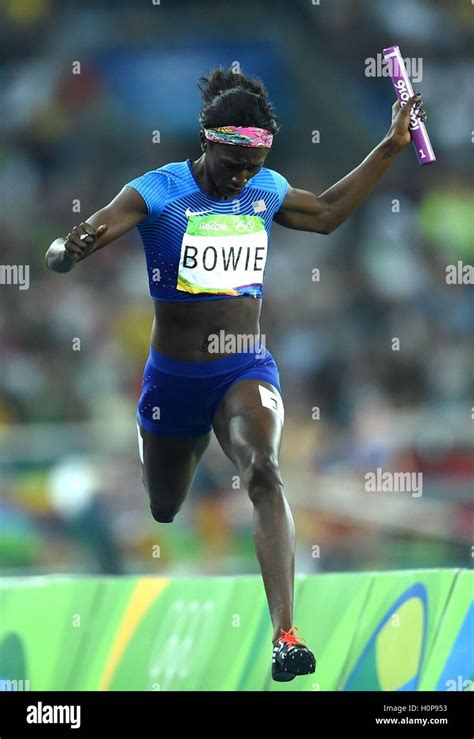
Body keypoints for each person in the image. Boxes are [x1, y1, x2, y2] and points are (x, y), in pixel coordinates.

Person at [45, 66, 426, 682]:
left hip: (243, 368)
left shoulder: (265, 188)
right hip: (172, 383)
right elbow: (96, 229)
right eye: (231, 165)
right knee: (165, 508)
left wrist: (389, 145)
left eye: (253, 166)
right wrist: (71, 247)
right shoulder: (159, 191)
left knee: (266, 473)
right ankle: (164, 441)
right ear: (207, 141)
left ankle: (286, 636)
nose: (242, 178)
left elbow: (327, 212)